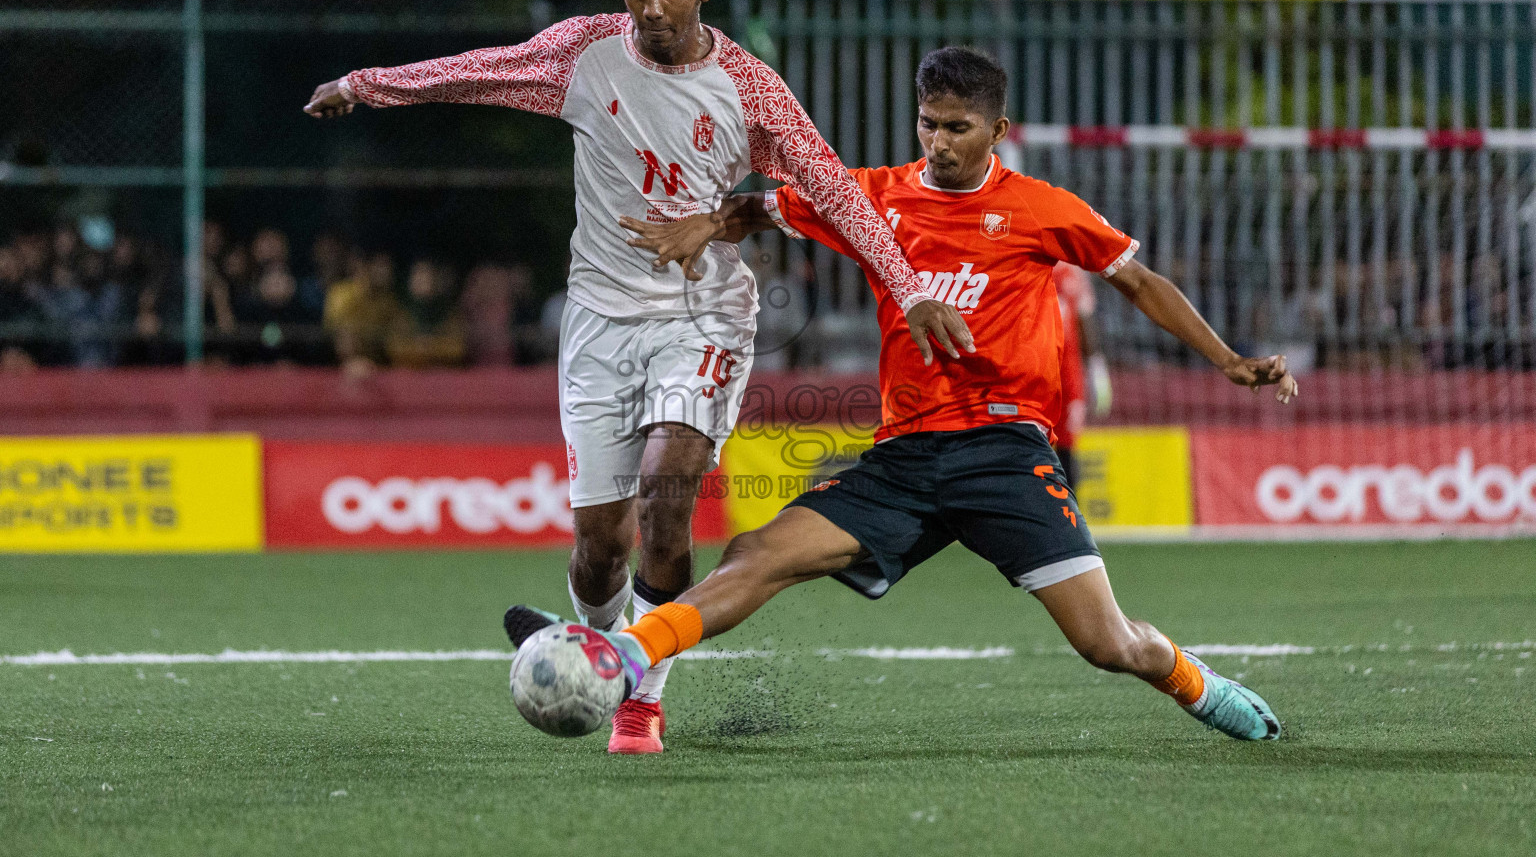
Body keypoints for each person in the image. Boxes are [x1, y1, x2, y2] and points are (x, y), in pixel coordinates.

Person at [305, 0, 970, 754]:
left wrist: (908, 284)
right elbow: (477, 69)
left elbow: (833, 190)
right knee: (597, 550)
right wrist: (367, 86)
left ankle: (639, 693)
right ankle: (592, 632)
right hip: (599, 324)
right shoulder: (580, 54)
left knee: (669, 489)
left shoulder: (750, 89)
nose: (651, 10)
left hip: (703, 317)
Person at [510, 46, 1297, 744]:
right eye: (928, 124)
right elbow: (763, 208)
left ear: (998, 129)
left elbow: (1139, 280)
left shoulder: (1041, 208)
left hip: (1004, 452)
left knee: (1109, 646)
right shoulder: (874, 198)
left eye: (959, 127)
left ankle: (1198, 683)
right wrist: (707, 226)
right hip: (905, 458)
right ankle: (627, 654)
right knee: (759, 553)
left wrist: (1226, 360)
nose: (940, 143)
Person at [1050, 262, 1111, 488]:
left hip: (1068, 375)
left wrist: (1096, 367)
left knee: (1067, 448)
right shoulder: (1025, 261)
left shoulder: (1072, 270)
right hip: (1033, 371)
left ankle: (1069, 516)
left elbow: (1085, 319)